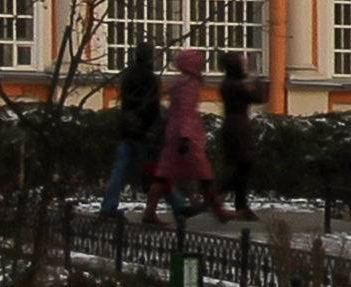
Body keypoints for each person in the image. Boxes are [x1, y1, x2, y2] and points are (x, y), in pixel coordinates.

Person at [101, 38, 166, 217]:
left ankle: (108, 207)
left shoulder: (128, 75)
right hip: (144, 131)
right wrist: (155, 127)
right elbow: (152, 106)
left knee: (119, 172)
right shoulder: (150, 78)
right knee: (155, 170)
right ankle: (177, 203)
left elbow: (127, 103)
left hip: (127, 129)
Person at [153, 45, 217, 215]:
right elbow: (185, 110)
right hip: (185, 135)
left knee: (163, 173)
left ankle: (150, 212)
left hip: (176, 131)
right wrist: (185, 135)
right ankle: (220, 210)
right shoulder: (189, 84)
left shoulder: (182, 81)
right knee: (204, 173)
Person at [213, 50, 263, 220]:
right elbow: (258, 97)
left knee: (242, 168)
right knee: (244, 168)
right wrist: (258, 83)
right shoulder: (236, 85)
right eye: (243, 64)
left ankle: (237, 203)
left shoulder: (228, 84)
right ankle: (219, 195)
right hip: (239, 129)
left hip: (234, 127)